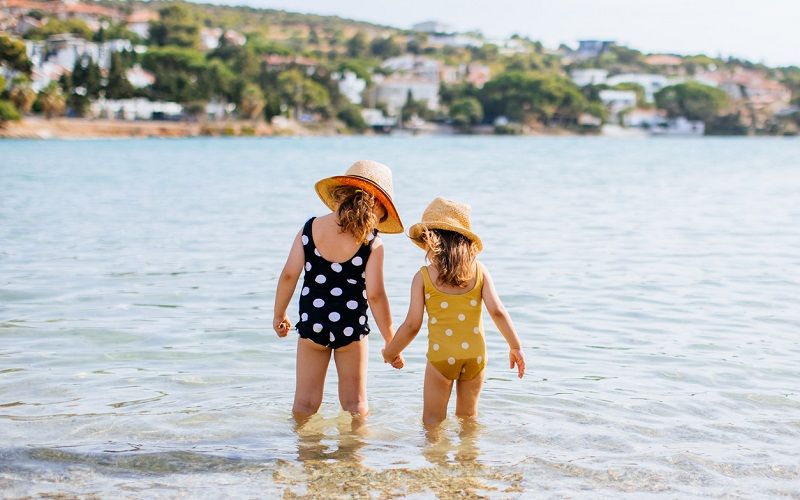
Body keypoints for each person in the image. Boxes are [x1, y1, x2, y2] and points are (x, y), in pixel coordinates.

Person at [273, 160, 404, 420]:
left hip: (314, 325)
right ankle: (354, 458)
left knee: (304, 403)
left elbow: (289, 274)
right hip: (351, 328)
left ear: (341, 194)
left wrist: (279, 314)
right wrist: (391, 341)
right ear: (377, 206)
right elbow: (376, 295)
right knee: (355, 404)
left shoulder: (309, 229)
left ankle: (306, 455)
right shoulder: (372, 242)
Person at [382, 197, 525, 426]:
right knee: (468, 419)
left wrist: (391, 351)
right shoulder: (479, 271)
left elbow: (412, 325)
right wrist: (515, 346)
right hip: (476, 355)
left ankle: (435, 461)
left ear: (430, 239)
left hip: (442, 356)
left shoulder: (423, 277)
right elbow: (497, 310)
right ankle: (469, 459)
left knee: (432, 420)